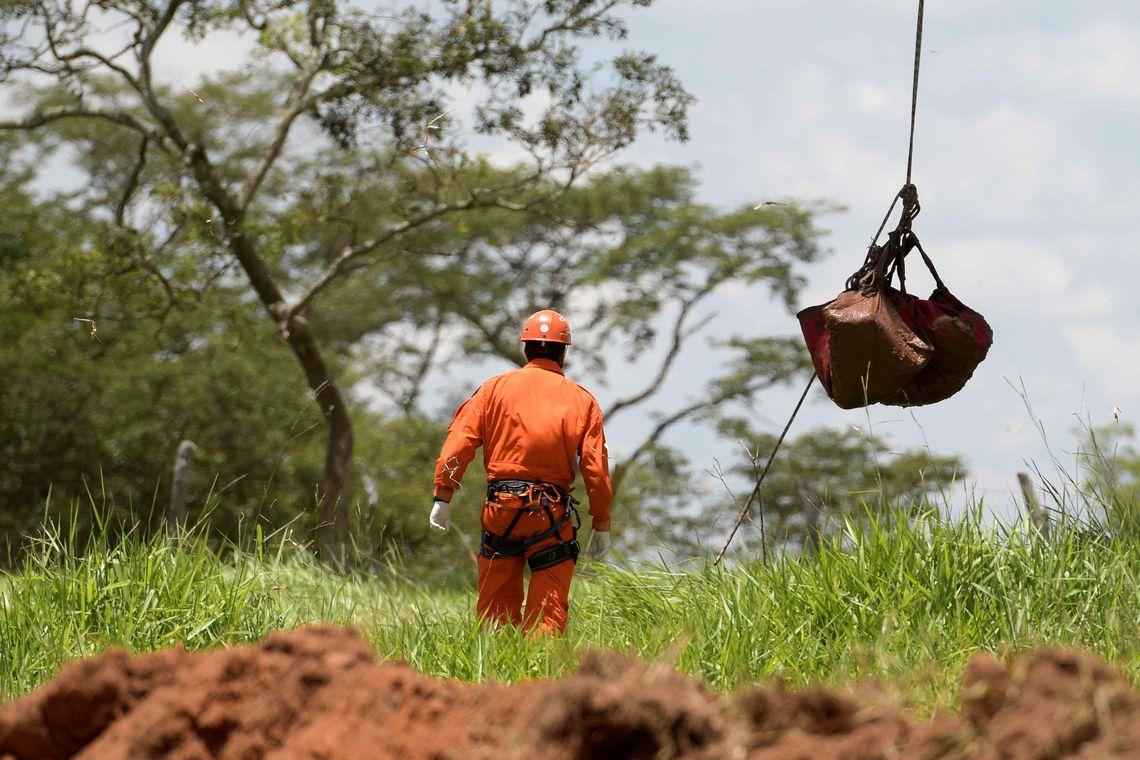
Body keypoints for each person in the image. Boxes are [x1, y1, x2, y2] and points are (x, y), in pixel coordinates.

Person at [429, 309, 613, 635]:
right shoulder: (582, 400)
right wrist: (601, 523)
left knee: (494, 616)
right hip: (551, 515)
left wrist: (444, 495)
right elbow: (595, 469)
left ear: (525, 348)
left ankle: (494, 674)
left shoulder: (493, 389)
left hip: (501, 508)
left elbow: (459, 445)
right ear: (564, 352)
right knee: (548, 614)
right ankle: (538, 678)